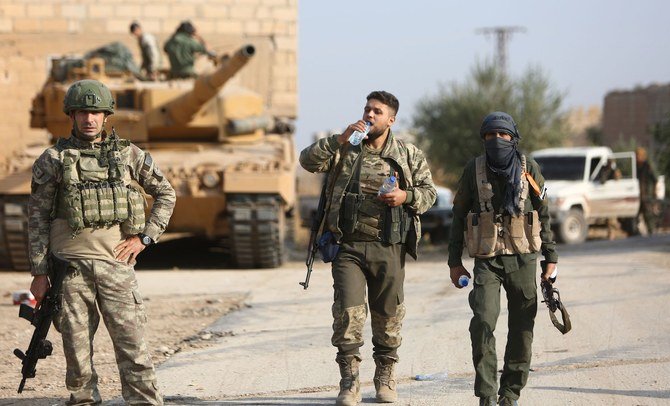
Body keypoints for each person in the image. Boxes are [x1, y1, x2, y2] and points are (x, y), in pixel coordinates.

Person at [28, 79, 176, 405]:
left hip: (116, 265)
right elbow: (37, 218)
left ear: (106, 115)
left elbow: (166, 192)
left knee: (133, 347)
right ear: (72, 115)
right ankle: (84, 401)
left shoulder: (128, 154)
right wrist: (39, 272)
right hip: (69, 271)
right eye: (82, 112)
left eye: (95, 112)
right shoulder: (53, 160)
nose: (89, 119)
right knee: (77, 355)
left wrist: (145, 237)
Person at [299, 91, 436, 405]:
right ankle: (349, 382)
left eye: (377, 111)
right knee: (347, 314)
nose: (370, 115)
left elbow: (429, 194)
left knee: (388, 316)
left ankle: (385, 377)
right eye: (367, 109)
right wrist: (339, 139)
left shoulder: (407, 154)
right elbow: (307, 161)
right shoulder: (346, 148)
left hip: (389, 246)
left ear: (391, 119)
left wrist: (406, 197)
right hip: (347, 247)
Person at [448, 112, 558, 406]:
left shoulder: (529, 168)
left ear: (514, 138)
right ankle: (486, 394)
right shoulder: (474, 169)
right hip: (488, 260)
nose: (496, 140)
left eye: (503, 135)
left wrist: (551, 258)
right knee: (483, 321)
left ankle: (509, 394)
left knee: (522, 329)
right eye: (489, 135)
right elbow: (458, 215)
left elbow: (543, 214)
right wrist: (454, 262)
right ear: (483, 139)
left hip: (523, 260)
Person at [635, 147, 659, 235]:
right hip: (637, 195)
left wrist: (654, 193)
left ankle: (652, 232)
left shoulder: (647, 166)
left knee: (648, 215)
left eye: (638, 155)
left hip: (647, 195)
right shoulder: (635, 167)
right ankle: (636, 233)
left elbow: (655, 180)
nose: (637, 157)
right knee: (635, 216)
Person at [599, 158, 622, 240]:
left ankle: (612, 233)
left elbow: (618, 179)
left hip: (612, 196)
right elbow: (602, 180)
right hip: (604, 196)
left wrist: (616, 174)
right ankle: (613, 230)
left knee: (611, 217)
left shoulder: (613, 170)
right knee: (609, 217)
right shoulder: (604, 170)